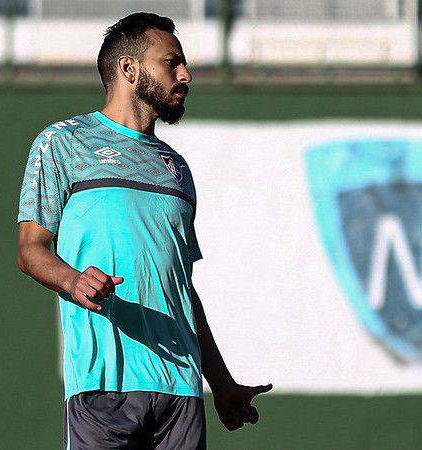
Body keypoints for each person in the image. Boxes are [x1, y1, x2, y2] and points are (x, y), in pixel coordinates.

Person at [16, 12, 272, 449]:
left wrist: (221, 382)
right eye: (171, 62)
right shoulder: (62, 142)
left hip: (181, 393)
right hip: (103, 385)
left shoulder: (177, 169)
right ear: (129, 69)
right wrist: (72, 279)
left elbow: (182, 289)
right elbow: (30, 250)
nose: (186, 74)